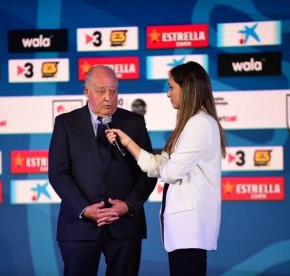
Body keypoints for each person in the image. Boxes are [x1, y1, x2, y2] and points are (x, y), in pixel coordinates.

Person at [106, 61, 226, 276]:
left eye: (171, 87)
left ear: (187, 89)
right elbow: (158, 165)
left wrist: (161, 163)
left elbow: (170, 172)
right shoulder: (191, 123)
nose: (168, 94)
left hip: (191, 230)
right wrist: (128, 142)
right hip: (186, 231)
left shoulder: (199, 124)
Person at [48, 65, 157, 276]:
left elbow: (147, 171)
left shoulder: (134, 122)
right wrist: (84, 209)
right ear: (87, 92)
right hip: (79, 228)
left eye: (113, 91)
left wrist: (128, 205)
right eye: (101, 91)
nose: (108, 97)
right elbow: (58, 173)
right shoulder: (66, 123)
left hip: (124, 227)